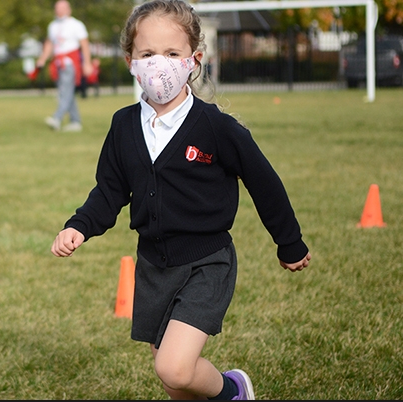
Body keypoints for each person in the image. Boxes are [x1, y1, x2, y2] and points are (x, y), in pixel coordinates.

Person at [50, 0, 311, 400]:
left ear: (194, 60)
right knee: (173, 377)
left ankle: (231, 391)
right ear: (131, 61)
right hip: (154, 265)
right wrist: (78, 226)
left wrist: (288, 241)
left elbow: (264, 182)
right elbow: (110, 189)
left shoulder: (215, 127)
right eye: (148, 54)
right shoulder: (123, 125)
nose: (160, 65)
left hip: (206, 261)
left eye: (172, 54)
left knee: (173, 365)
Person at [36, 0, 93, 132]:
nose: (59, 10)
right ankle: (75, 121)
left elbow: (84, 45)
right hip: (57, 63)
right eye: (57, 8)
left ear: (68, 10)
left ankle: (57, 117)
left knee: (64, 91)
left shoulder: (76, 25)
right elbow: (49, 44)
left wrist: (87, 63)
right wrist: (43, 58)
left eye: (62, 8)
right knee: (67, 92)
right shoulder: (53, 26)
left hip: (69, 63)